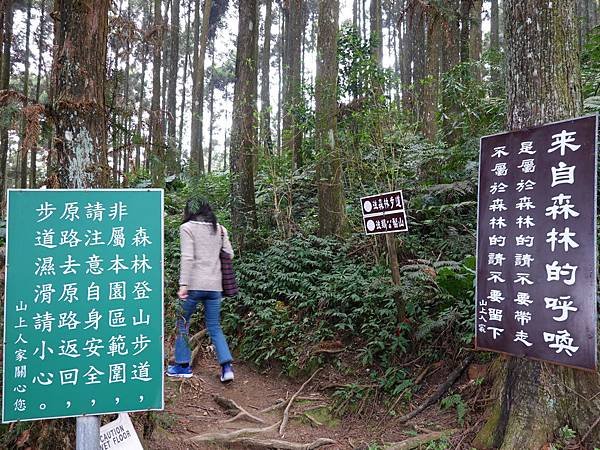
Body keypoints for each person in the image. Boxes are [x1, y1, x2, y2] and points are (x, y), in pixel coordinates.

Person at [166, 198, 235, 382]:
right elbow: (229, 254)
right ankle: (226, 368)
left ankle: (182, 366)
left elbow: (187, 257)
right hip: (215, 287)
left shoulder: (187, 228)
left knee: (182, 323)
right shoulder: (220, 229)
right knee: (214, 326)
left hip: (194, 286)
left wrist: (183, 285)